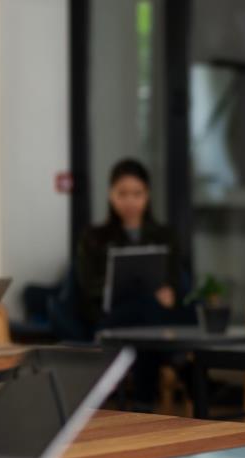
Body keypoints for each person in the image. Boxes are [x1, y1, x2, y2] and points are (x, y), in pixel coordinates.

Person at [76, 158, 184, 411]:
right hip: (110, 317)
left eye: (137, 194)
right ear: (110, 195)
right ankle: (147, 399)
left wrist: (171, 293)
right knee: (147, 313)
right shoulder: (94, 237)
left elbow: (175, 282)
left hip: (152, 316)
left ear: (147, 195)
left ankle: (143, 402)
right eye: (122, 194)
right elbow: (88, 288)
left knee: (148, 314)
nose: (130, 202)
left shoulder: (165, 235)